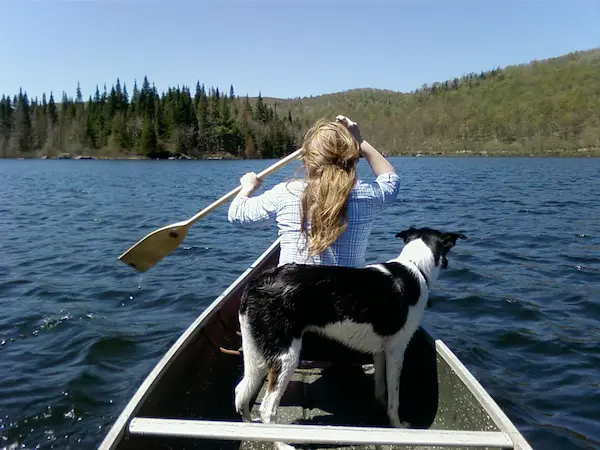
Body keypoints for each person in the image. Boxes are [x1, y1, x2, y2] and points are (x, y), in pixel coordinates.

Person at [227, 115, 400, 268]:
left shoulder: (286, 192)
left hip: (294, 296)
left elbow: (237, 214)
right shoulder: (367, 194)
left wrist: (247, 188)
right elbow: (390, 179)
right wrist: (360, 140)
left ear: (307, 159)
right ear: (352, 156)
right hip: (345, 299)